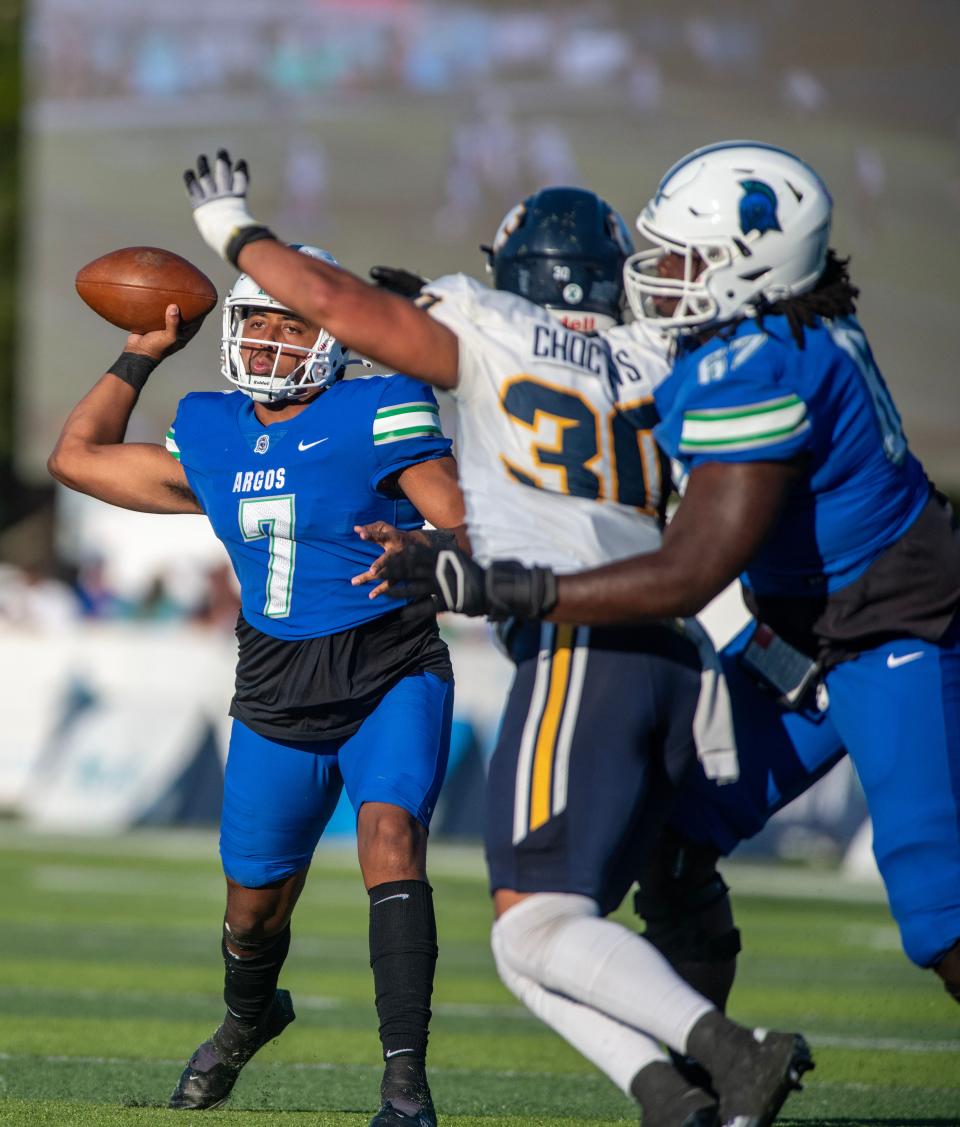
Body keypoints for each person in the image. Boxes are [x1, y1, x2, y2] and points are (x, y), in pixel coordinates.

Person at [180, 152, 814, 1127]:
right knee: (680, 879)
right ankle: (683, 1103)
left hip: (582, 641)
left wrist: (230, 223)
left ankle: (727, 1057)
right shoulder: (667, 352)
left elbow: (342, 304)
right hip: (693, 648)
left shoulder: (491, 324)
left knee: (534, 926)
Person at [379, 141, 960, 1012]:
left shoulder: (766, 362)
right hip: (805, 633)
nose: (659, 276)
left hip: (894, 637)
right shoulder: (767, 333)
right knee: (675, 839)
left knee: (943, 917)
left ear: (754, 264)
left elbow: (689, 568)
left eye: (686, 260)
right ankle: (716, 1077)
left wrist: (511, 587)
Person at [47, 245, 467, 1127]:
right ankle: (246, 1021)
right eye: (260, 323)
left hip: (388, 661)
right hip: (276, 684)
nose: (273, 342)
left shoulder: (378, 404)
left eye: (295, 324)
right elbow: (78, 459)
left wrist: (438, 551)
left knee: (389, 838)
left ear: (334, 335)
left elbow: (463, 514)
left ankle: (405, 1086)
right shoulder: (208, 426)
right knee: (251, 913)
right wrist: (142, 349)